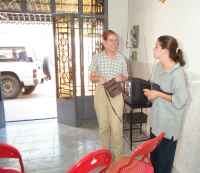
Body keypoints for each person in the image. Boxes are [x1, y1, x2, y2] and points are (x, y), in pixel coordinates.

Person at [143, 35, 188, 173]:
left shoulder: (178, 73)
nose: (153, 49)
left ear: (165, 51)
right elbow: (154, 88)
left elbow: (181, 101)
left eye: (156, 46)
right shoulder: (158, 67)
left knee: (163, 167)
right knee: (154, 164)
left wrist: (159, 95)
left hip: (168, 131)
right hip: (155, 126)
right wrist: (151, 95)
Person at [89, 30, 128, 161]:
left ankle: (118, 159)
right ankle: (105, 157)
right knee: (104, 127)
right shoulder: (97, 57)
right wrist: (98, 77)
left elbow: (126, 75)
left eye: (116, 40)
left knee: (116, 127)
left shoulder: (121, 58)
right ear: (104, 42)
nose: (114, 43)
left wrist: (120, 78)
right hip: (101, 92)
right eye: (111, 40)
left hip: (116, 92)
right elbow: (91, 76)